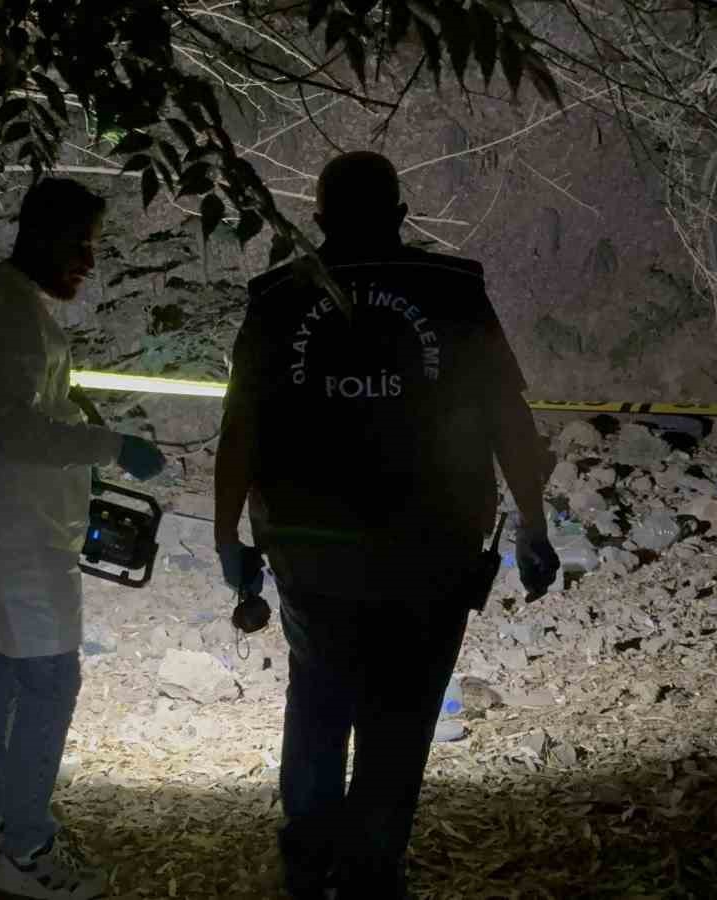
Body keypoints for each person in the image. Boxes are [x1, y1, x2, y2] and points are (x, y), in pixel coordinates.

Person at [214, 151, 560, 900]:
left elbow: (240, 430)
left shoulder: (279, 297)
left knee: (318, 701)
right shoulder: (452, 291)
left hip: (312, 552)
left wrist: (226, 538)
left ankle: (310, 866)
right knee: (399, 720)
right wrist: (532, 525)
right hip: (428, 549)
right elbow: (509, 417)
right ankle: (371, 873)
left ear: (319, 220)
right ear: (401, 216)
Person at [0, 177, 165, 900]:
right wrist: (110, 445)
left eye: (93, 246)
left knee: (6, 669)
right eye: (78, 244)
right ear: (38, 235)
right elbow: (16, 431)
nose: (88, 260)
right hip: (18, 536)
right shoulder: (10, 314)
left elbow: (10, 415)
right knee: (52, 680)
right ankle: (26, 855)